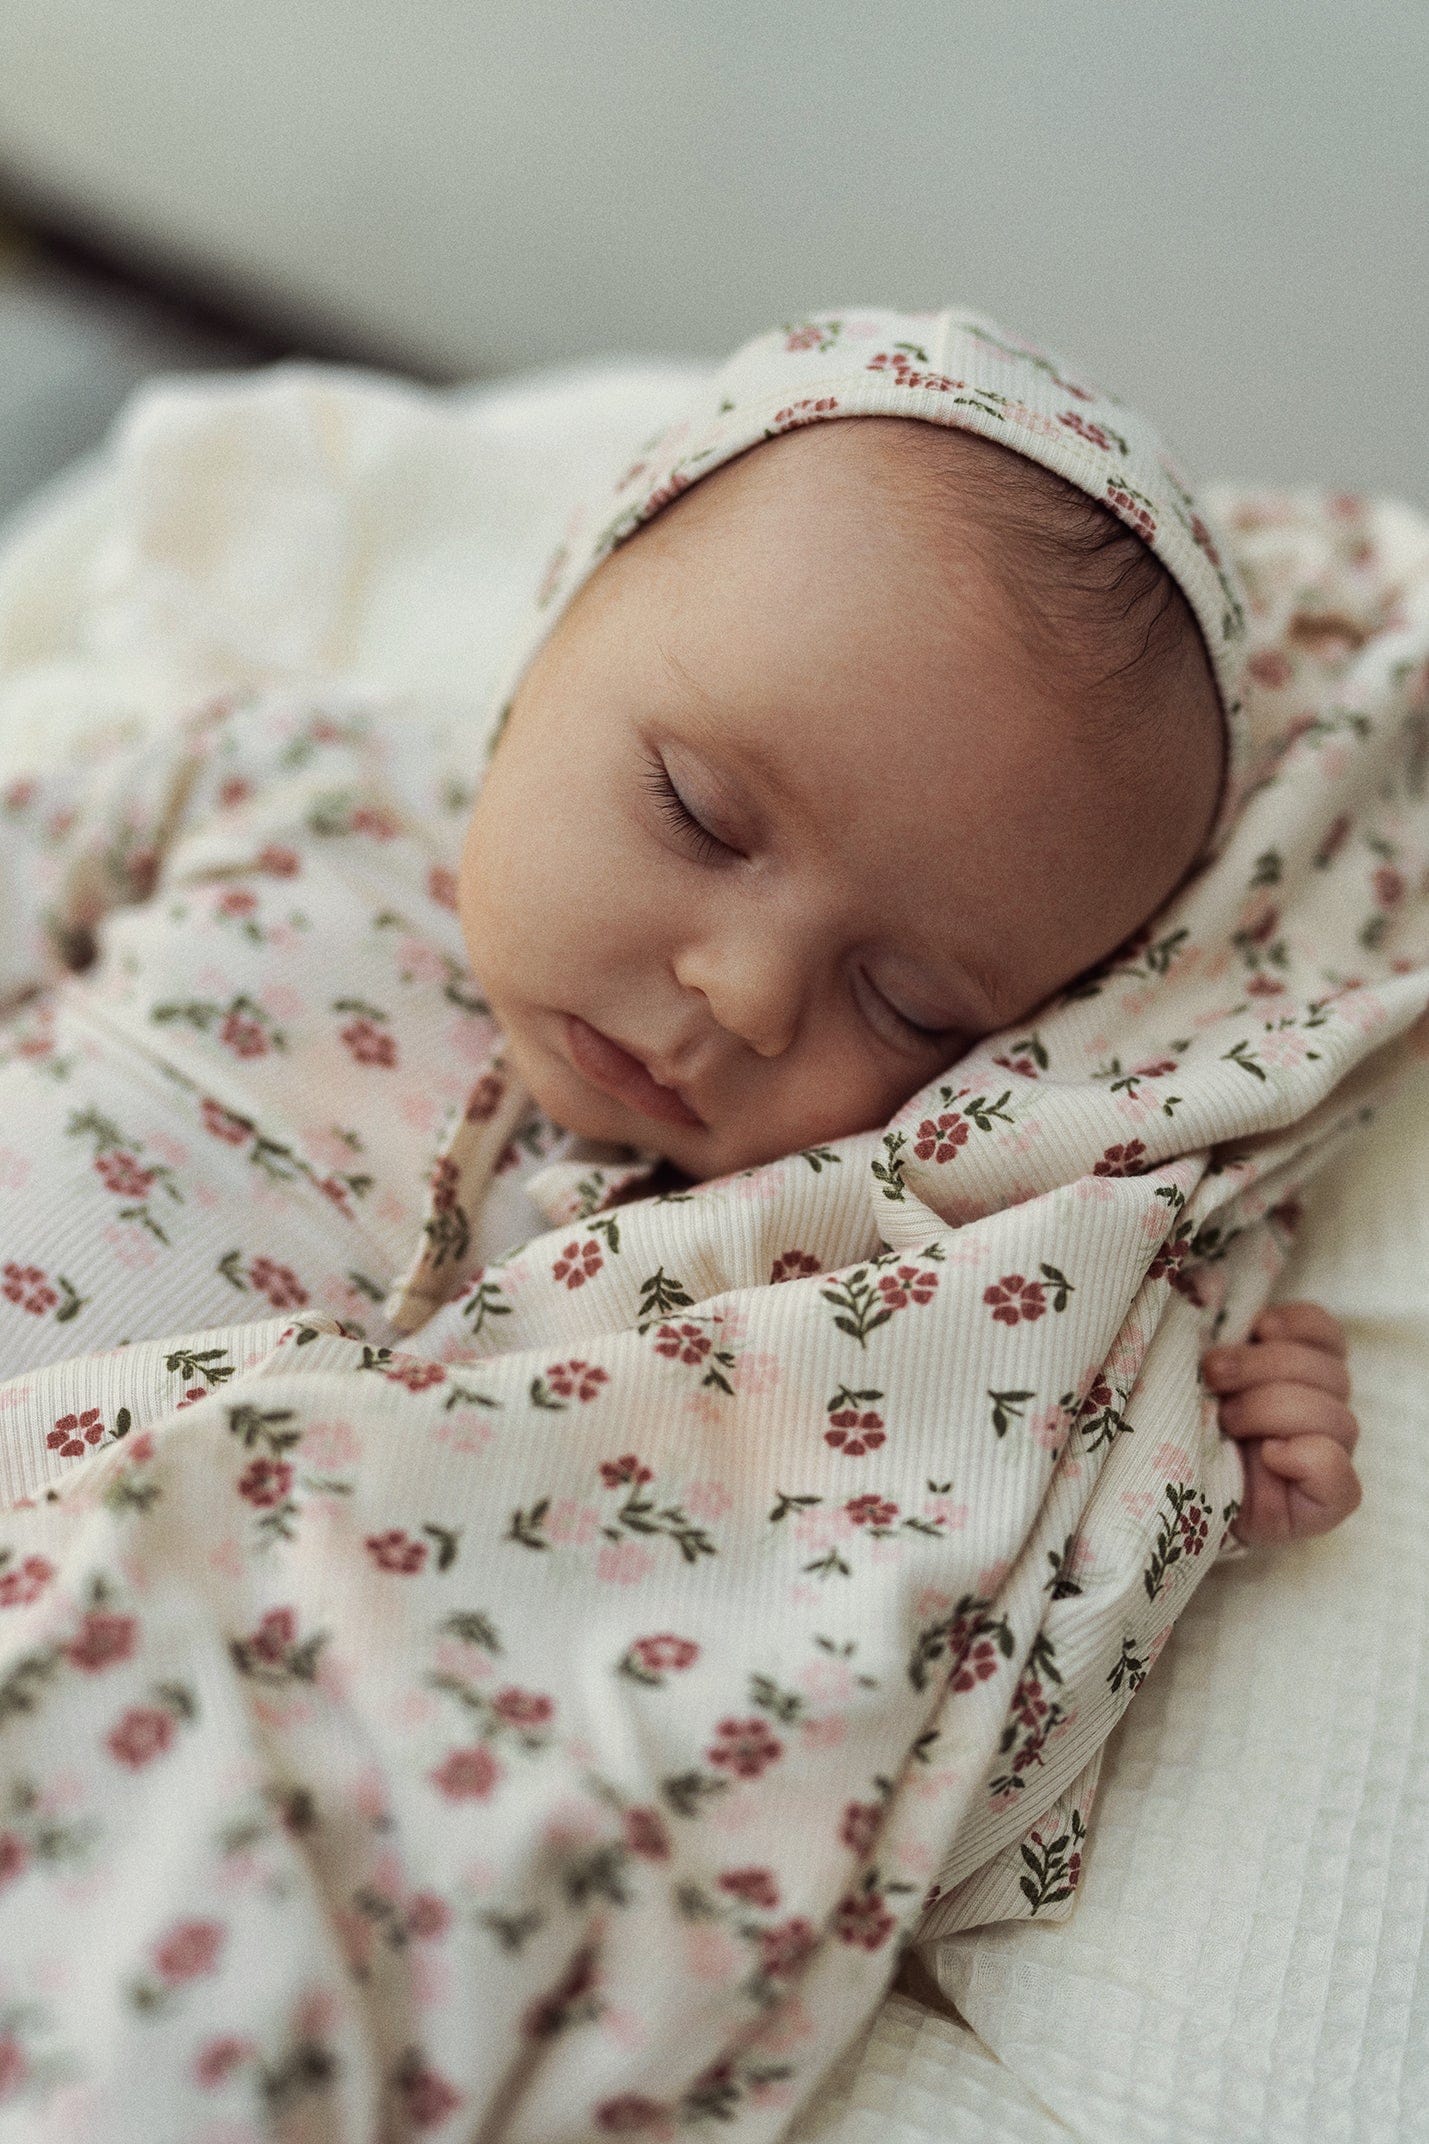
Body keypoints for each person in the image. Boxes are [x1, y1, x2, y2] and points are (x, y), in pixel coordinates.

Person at [0, 329, 1361, 1545]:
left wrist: (1196, 1441)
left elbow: (914, 1464)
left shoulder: (771, 1238)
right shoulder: (305, 778)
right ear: (553, 636)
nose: (747, 996)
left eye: (905, 1005)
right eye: (698, 815)